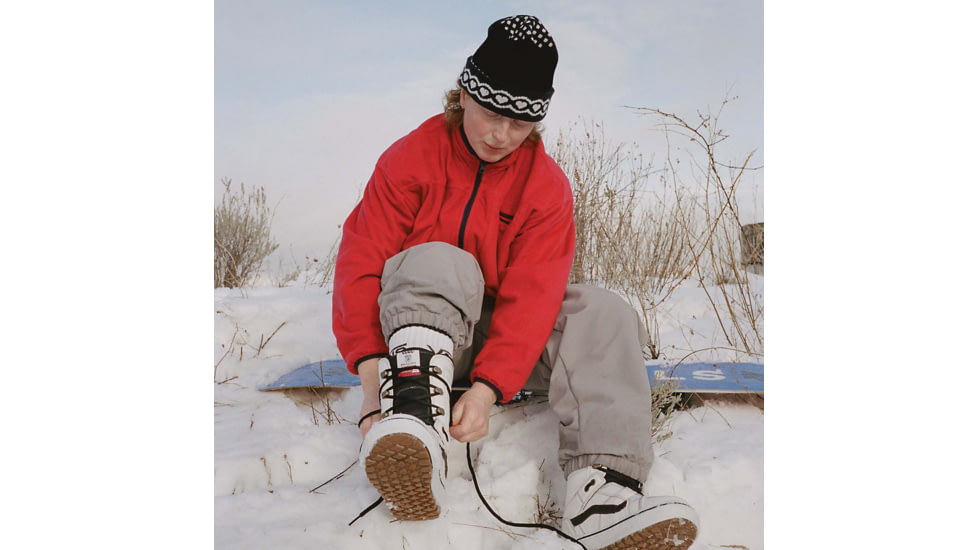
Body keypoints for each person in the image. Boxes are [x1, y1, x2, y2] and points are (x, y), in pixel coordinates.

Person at [332, 15, 699, 550]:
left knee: (602, 310)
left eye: (520, 122)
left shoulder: (545, 188)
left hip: (502, 345)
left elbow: (533, 298)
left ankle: (603, 493)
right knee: (440, 260)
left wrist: (487, 389)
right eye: (491, 114)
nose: (501, 136)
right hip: (415, 335)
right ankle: (414, 426)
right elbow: (360, 263)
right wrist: (372, 382)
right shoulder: (409, 160)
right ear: (463, 95)